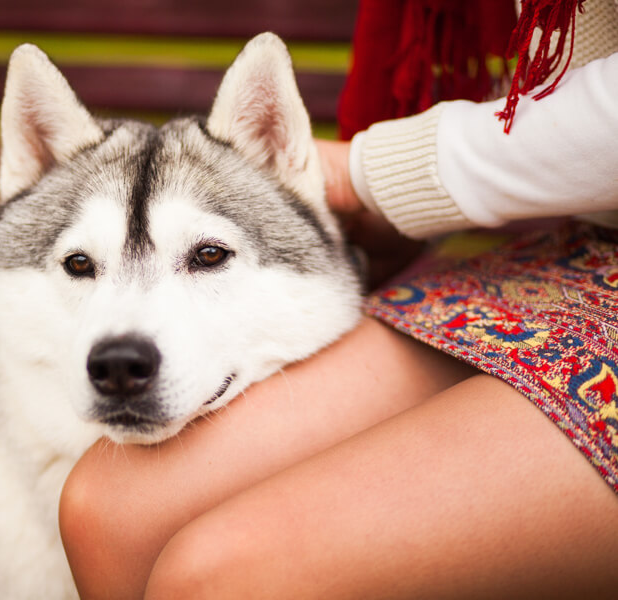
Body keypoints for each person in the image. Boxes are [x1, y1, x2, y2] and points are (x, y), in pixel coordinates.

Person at [59, 1, 618, 598]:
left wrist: (366, 176)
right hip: (579, 253)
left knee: (216, 578)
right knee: (105, 517)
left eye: (207, 256)